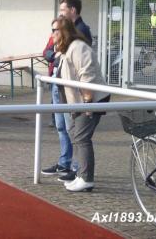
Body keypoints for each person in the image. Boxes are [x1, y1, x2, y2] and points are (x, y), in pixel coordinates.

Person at [53, 17, 110, 192]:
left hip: (90, 100)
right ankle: (80, 175)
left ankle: (87, 178)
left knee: (82, 137)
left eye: (55, 30)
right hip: (74, 102)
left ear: (64, 32)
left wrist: (87, 104)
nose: (52, 34)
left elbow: (88, 76)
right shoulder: (65, 50)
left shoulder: (78, 47)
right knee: (74, 134)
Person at [41, 21, 75, 181]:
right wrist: (54, 56)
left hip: (67, 87)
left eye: (55, 30)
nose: (52, 33)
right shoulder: (54, 39)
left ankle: (76, 167)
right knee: (60, 126)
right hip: (55, 81)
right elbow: (46, 52)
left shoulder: (75, 42)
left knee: (71, 128)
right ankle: (64, 162)